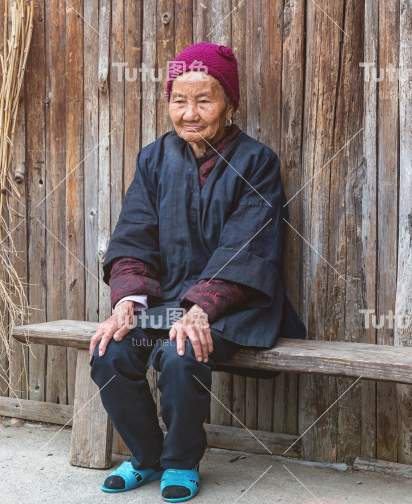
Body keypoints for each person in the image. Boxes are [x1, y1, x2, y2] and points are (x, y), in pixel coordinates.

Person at [88, 41, 306, 502]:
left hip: (234, 307)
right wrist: (128, 300)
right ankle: (146, 457)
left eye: (204, 100)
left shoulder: (256, 162)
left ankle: (181, 462)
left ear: (229, 104)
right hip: (166, 306)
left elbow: (246, 247)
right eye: (179, 100)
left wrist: (200, 307)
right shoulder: (154, 158)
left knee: (179, 353)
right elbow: (133, 237)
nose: (190, 113)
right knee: (110, 351)